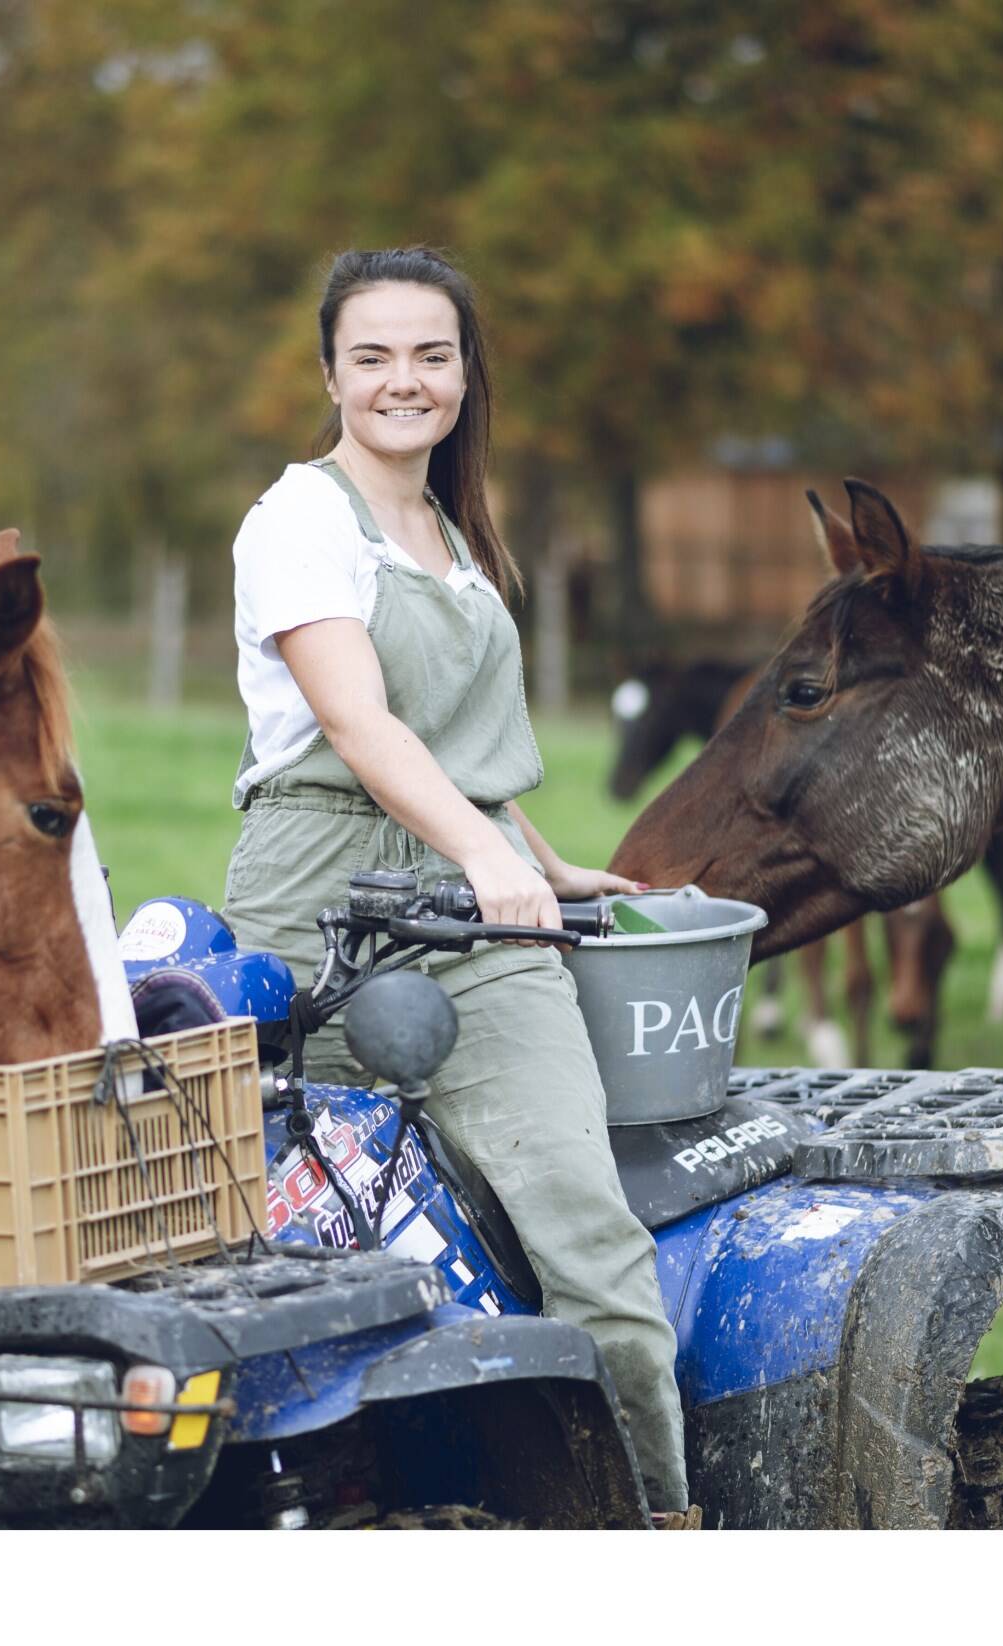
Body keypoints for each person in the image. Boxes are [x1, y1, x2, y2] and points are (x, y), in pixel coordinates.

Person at [221, 246, 691, 1517]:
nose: (401, 380)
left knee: (580, 1226)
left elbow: (452, 739)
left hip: (477, 915)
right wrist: (484, 853)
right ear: (329, 371)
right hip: (315, 902)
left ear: (466, 372)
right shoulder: (297, 521)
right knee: (288, 1259)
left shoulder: (452, 530)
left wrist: (529, 853)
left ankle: (650, 1523)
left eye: (431, 354)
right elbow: (362, 726)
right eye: (370, 355)